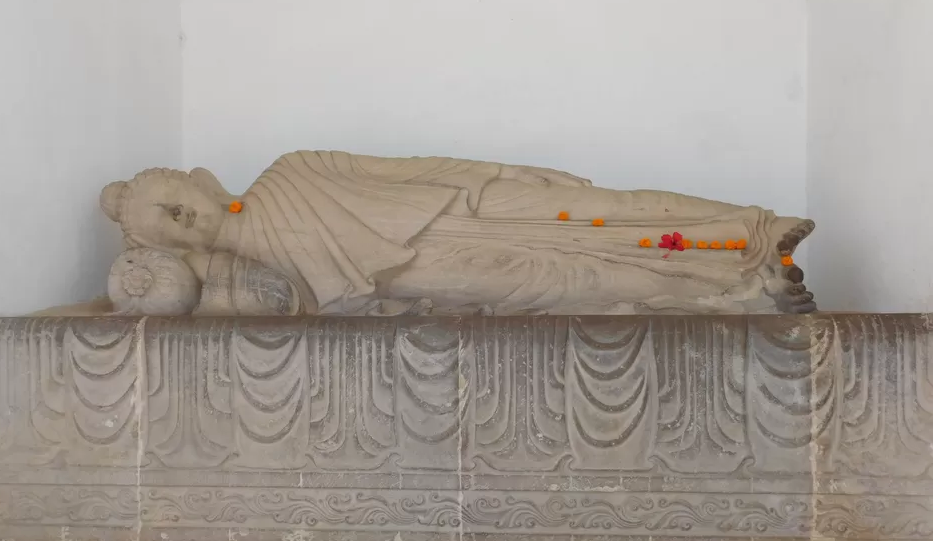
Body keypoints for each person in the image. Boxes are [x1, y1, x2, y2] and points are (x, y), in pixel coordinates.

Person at [100, 151, 815, 315]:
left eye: (173, 200)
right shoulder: (239, 279)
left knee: (608, 213)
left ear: (198, 178)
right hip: (422, 275)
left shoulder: (291, 169)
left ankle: (749, 232)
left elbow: (399, 165)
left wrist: (503, 171)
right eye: (163, 226)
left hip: (457, 206)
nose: (179, 216)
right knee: (582, 282)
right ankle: (737, 289)